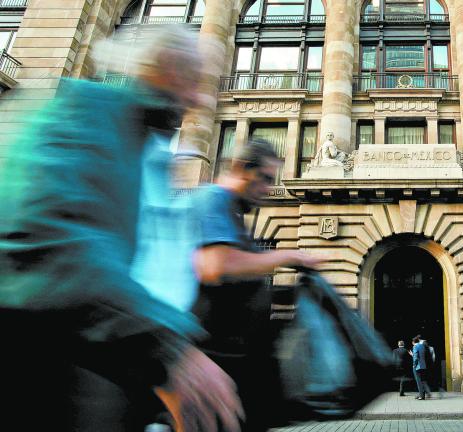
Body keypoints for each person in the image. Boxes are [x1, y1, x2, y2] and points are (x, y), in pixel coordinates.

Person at [0, 26, 243, 432]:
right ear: (164, 69)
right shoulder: (87, 110)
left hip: (122, 378)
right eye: (195, 81)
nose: (201, 99)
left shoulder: (147, 147)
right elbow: (50, 239)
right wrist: (168, 350)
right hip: (58, 383)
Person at [190, 138, 322, 431]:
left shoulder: (233, 215)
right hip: (212, 369)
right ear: (240, 168)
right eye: (263, 178)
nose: (267, 189)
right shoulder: (212, 198)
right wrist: (287, 255)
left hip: (236, 371)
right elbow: (217, 266)